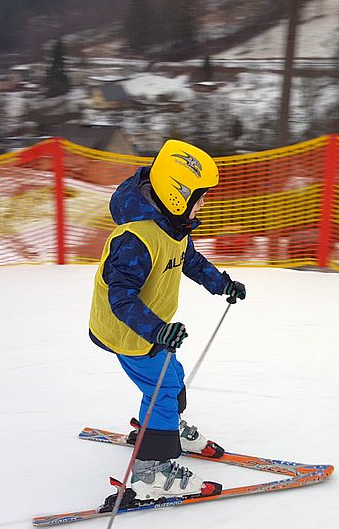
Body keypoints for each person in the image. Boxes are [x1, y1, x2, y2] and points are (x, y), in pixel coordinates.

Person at [88, 139, 247, 501]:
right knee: (162, 388)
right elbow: (121, 297)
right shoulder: (136, 238)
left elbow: (191, 261)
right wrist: (157, 330)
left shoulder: (171, 226)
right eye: (199, 198)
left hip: (150, 329)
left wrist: (222, 284)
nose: (203, 204)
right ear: (177, 196)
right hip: (130, 331)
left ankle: (164, 426)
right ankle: (151, 472)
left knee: (171, 377)